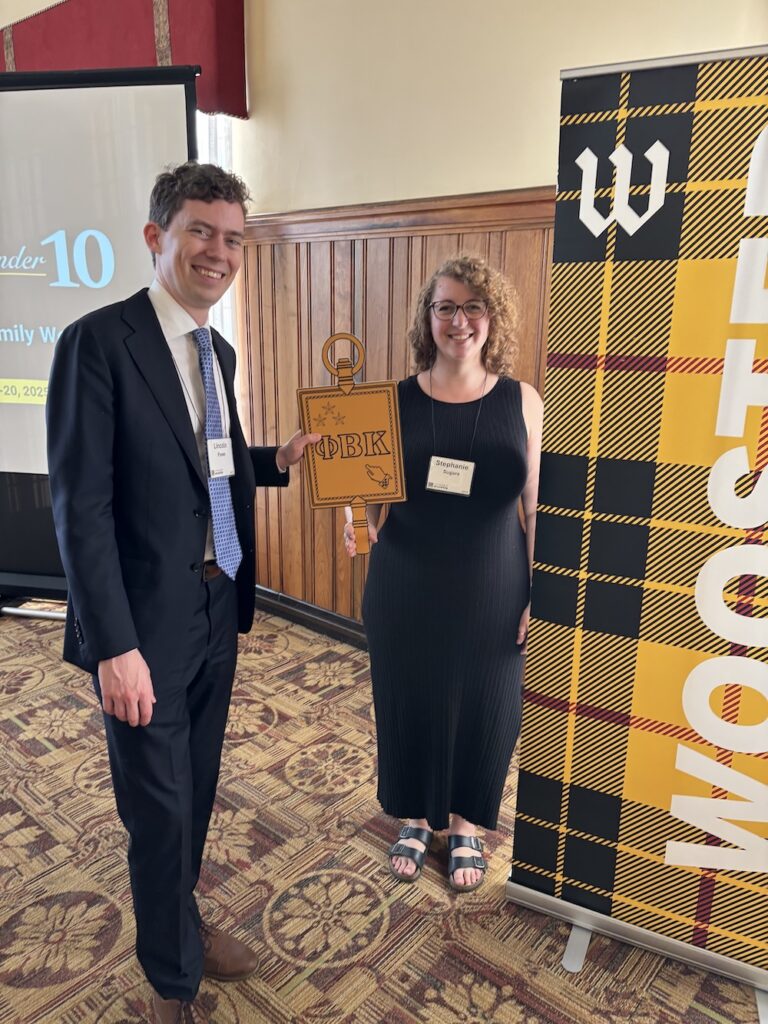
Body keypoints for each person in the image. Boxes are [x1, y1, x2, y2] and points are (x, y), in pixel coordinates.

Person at [46, 162, 318, 1023]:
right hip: (140, 626)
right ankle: (172, 978)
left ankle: (184, 921)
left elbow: (215, 460)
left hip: (216, 606)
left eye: (234, 237)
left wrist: (275, 461)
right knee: (157, 810)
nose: (220, 251)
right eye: (202, 231)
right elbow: (79, 510)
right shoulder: (100, 342)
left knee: (196, 787)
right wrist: (111, 646)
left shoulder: (215, 348)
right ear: (157, 237)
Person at [344, 254, 542, 893]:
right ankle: (412, 817)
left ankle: (464, 825)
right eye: (445, 308)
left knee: (489, 706)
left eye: (472, 307)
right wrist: (350, 520)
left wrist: (538, 591)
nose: (459, 321)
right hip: (407, 581)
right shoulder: (390, 400)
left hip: (493, 582)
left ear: (493, 318)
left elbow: (535, 505)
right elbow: (366, 501)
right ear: (428, 319)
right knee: (409, 699)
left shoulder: (524, 402)